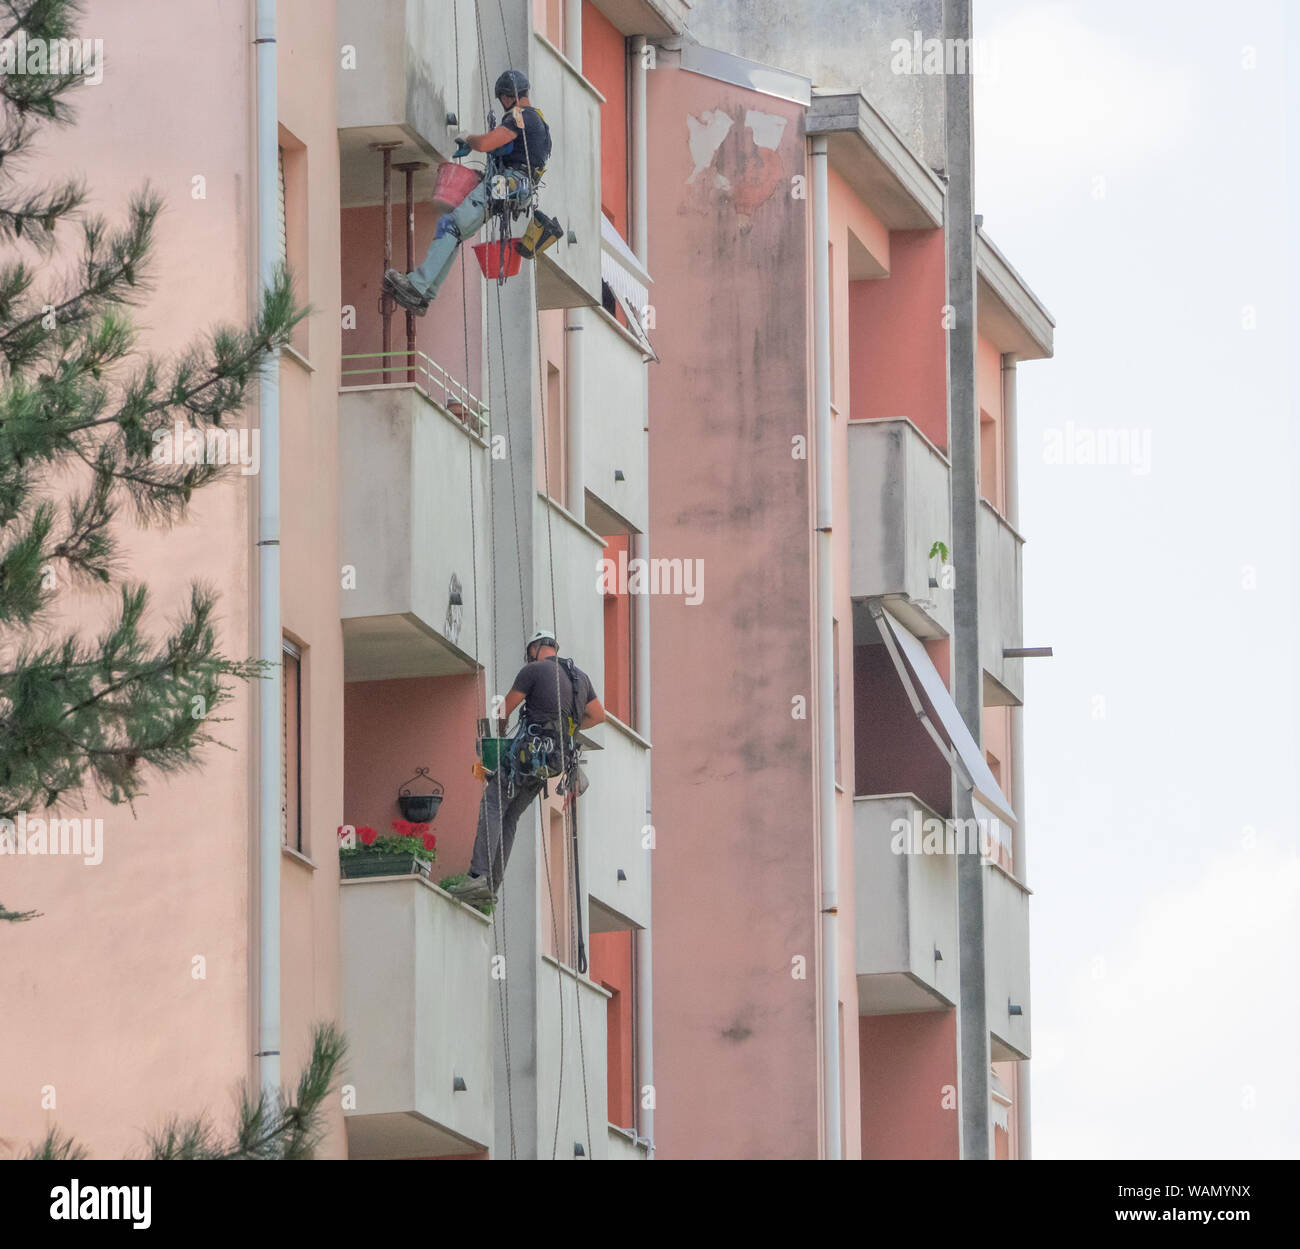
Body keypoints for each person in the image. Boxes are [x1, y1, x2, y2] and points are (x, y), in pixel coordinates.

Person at [449, 628, 603, 905]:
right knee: (510, 816)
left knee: (493, 804)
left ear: (535, 649)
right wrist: (568, 727)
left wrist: (498, 733)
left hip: (528, 752)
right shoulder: (580, 677)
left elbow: (505, 709)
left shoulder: (534, 671)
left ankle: (478, 877)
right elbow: (598, 715)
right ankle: (491, 886)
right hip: (553, 761)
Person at [383, 69, 556, 314]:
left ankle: (419, 286)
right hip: (515, 188)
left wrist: (468, 138)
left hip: (506, 185)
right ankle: (425, 292)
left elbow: (486, 143)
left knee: (450, 226)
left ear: (507, 98)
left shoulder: (520, 115)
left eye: (502, 100)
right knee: (456, 231)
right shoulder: (538, 120)